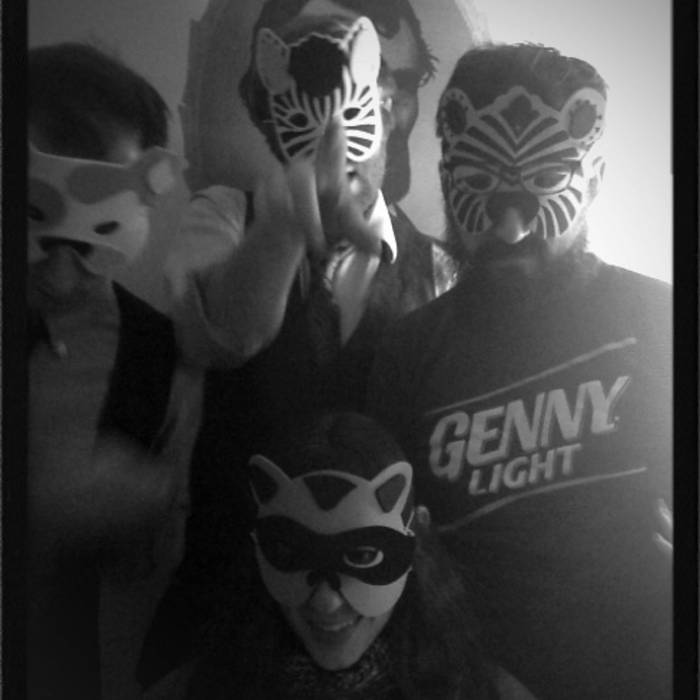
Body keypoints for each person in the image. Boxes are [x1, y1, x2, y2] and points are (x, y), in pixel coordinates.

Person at [138, 6, 457, 686]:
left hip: (375, 614)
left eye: (363, 100)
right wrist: (281, 228)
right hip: (227, 600)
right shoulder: (225, 216)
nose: (337, 134)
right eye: (309, 104)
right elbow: (216, 338)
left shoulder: (438, 271)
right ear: (271, 116)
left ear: (393, 108)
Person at [367, 43, 672, 700]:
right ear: (447, 180)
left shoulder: (661, 319)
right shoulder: (408, 351)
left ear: (593, 181)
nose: (508, 230)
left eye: (543, 185)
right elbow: (386, 552)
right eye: (478, 187)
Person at [27, 43, 202, 700]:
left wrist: (142, 509)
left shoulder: (155, 355)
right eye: (34, 223)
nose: (59, 275)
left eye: (92, 240)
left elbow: (143, 572)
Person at [145, 411, 537, 699]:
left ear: (414, 546)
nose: (326, 602)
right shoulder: (198, 691)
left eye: (362, 555)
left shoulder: (482, 693)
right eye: (293, 555)